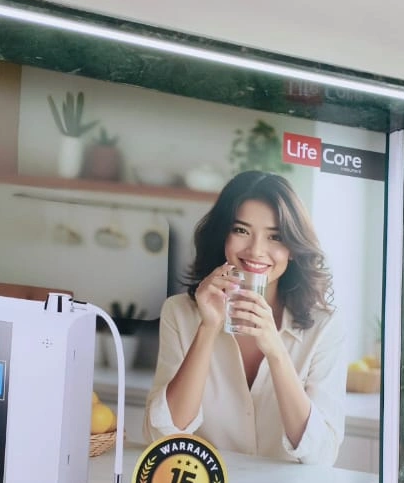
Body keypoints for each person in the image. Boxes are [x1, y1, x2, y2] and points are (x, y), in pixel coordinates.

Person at [143, 170, 346, 465]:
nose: (256, 250)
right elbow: (162, 437)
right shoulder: (180, 313)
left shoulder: (324, 326)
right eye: (241, 230)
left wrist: (276, 351)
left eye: (275, 236)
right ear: (222, 235)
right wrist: (208, 328)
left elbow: (321, 455)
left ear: (292, 248)